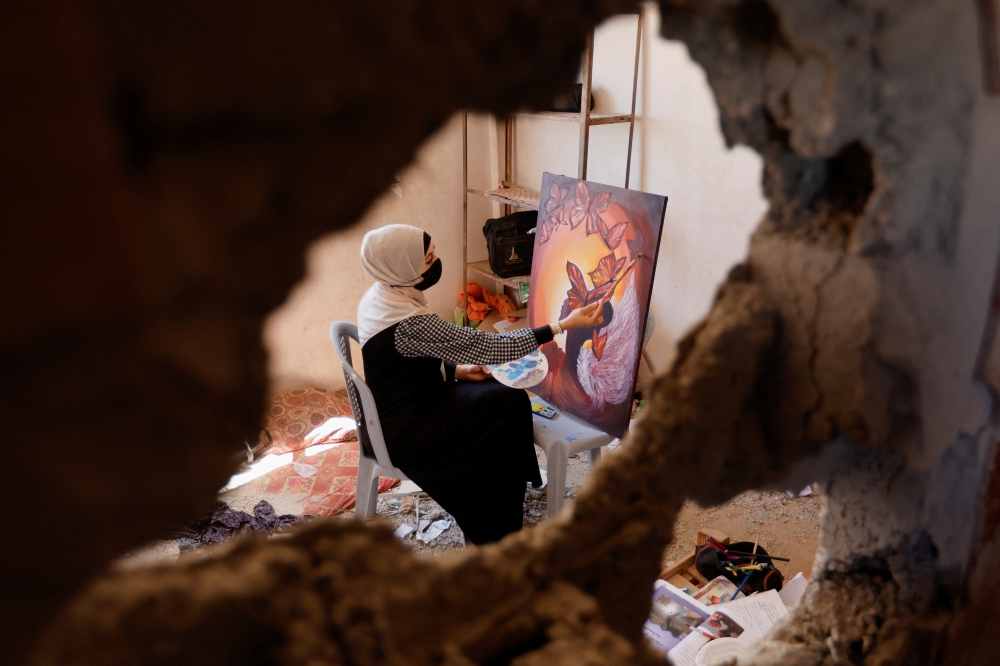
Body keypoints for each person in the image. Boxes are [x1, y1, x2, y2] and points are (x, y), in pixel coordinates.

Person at [355, 224, 603, 545]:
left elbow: (401, 365)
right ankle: (495, 523)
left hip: (398, 408)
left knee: (500, 394)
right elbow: (492, 347)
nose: (437, 261)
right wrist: (562, 325)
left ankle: (511, 487)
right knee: (507, 403)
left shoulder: (381, 297)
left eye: (433, 253)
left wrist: (456, 370)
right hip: (407, 432)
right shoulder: (409, 322)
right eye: (428, 259)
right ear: (400, 267)